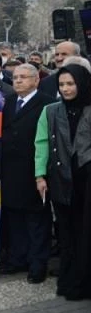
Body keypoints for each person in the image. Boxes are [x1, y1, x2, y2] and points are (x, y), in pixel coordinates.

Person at [34, 64, 91, 300]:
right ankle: (70, 281)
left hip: (86, 181)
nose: (66, 89)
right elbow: (42, 144)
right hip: (61, 180)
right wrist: (40, 175)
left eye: (71, 84)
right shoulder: (50, 111)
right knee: (66, 232)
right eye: (61, 84)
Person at [0, 64, 54, 284]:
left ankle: (37, 265)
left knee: (36, 222)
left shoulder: (47, 104)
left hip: (34, 171)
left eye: (23, 77)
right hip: (10, 172)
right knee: (15, 219)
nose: (18, 81)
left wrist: (43, 173)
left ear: (36, 80)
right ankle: (17, 259)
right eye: (15, 77)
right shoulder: (8, 102)